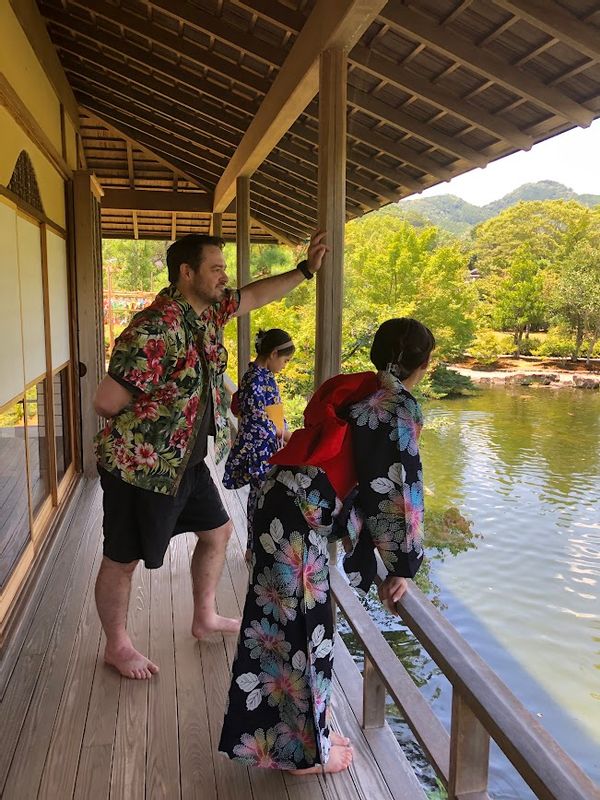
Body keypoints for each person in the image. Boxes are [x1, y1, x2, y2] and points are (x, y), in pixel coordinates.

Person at [93, 231, 327, 680]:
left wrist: (304, 271)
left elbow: (255, 294)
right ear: (187, 272)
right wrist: (157, 411)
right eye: (216, 268)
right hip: (141, 469)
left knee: (217, 533)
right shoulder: (155, 327)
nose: (225, 276)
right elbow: (105, 401)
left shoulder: (208, 312)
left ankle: (204, 616)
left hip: (189, 464)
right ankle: (117, 647)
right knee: (122, 561)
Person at [218, 317, 434, 774]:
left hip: (281, 498)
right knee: (300, 629)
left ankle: (300, 737)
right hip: (298, 515)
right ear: (424, 365)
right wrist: (402, 563)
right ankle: (301, 755)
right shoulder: (395, 405)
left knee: (286, 625)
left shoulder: (362, 387)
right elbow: (398, 486)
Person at [223, 328, 294, 557]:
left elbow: (272, 413)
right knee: (259, 499)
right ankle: (254, 548)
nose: (285, 366)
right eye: (285, 360)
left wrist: (282, 433)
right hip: (260, 448)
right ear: (273, 353)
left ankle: (258, 547)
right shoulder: (255, 379)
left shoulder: (263, 377)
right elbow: (257, 420)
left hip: (268, 445)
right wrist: (284, 434)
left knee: (262, 498)